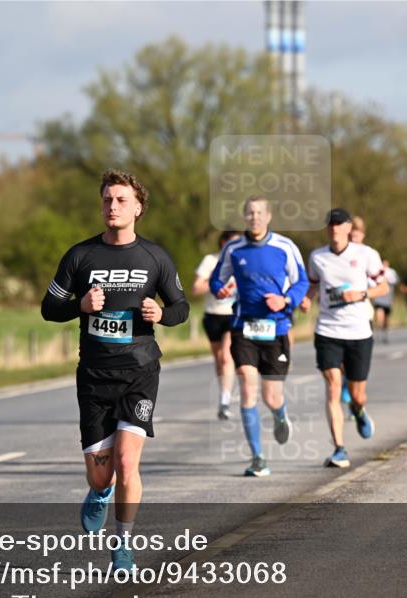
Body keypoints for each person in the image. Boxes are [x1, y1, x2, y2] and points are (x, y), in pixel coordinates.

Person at [41, 169, 188, 570]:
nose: (113, 206)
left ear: (138, 208)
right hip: (93, 375)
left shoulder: (155, 257)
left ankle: (123, 544)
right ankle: (99, 493)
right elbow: (48, 307)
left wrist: (162, 312)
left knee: (127, 463)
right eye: (107, 199)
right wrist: (80, 306)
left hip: (139, 371)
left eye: (121, 200)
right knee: (101, 477)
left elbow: (181, 307)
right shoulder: (80, 255)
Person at [209, 196, 309, 478]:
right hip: (244, 327)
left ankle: (280, 413)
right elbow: (217, 278)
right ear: (245, 217)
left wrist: (286, 299)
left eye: (259, 213)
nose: (254, 218)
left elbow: (301, 281)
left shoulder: (285, 247)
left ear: (268, 216)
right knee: (247, 384)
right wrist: (220, 289)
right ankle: (258, 458)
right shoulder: (233, 248)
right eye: (250, 213)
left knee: (271, 395)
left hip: (276, 328)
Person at [301, 209, 388, 468]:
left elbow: (384, 287)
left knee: (357, 393)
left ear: (349, 227)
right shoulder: (317, 257)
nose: (334, 228)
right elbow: (313, 284)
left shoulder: (366, 254)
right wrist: (306, 298)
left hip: (359, 331)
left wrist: (361, 295)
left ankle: (359, 411)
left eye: (339, 224)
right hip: (328, 330)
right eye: (330, 224)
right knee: (333, 388)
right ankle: (339, 447)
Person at [192, 229, 241, 420]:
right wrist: (216, 286)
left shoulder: (243, 262)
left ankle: (224, 401)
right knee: (219, 359)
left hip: (233, 315)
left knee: (227, 357)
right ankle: (224, 392)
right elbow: (196, 288)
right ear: (223, 243)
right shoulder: (211, 261)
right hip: (213, 316)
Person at [371, 259, 398, 344]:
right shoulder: (375, 271)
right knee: (379, 316)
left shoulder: (391, 272)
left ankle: (385, 334)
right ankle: (378, 331)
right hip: (379, 298)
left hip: (388, 298)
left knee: (386, 318)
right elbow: (372, 282)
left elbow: (395, 281)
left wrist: (386, 278)